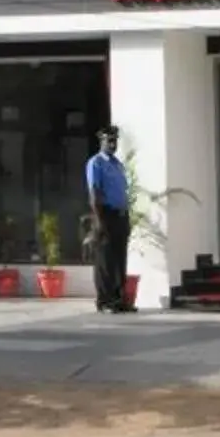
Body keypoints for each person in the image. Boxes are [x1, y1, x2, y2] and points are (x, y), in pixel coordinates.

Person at [85, 127, 133, 313]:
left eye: (114, 141)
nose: (112, 144)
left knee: (119, 260)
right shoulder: (95, 163)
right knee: (105, 260)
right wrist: (99, 221)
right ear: (101, 142)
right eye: (108, 141)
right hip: (106, 214)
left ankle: (118, 300)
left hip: (121, 216)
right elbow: (94, 193)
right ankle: (104, 301)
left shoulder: (117, 164)